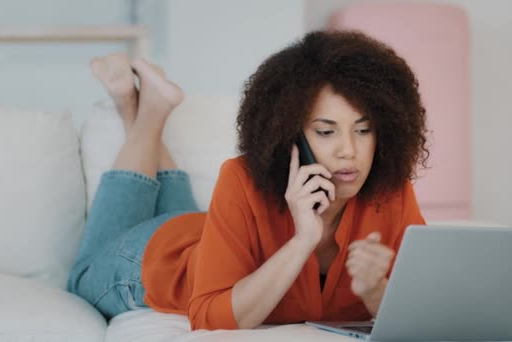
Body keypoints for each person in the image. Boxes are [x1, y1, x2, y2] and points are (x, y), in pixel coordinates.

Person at [67, 30, 429, 330]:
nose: (349, 151)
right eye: (325, 131)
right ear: (292, 137)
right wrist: (303, 240)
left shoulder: (391, 194)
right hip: (154, 259)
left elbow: (425, 317)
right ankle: (140, 112)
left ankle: (146, 105)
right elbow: (211, 318)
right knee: (80, 277)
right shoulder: (241, 179)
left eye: (363, 130)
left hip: (209, 235)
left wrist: (376, 292)